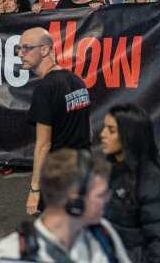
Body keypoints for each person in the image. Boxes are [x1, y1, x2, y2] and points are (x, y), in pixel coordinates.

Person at [0, 149, 132, 263]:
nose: (108, 199)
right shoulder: (12, 257)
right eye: (100, 195)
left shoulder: (103, 234)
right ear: (76, 203)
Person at [20, 26, 92, 215]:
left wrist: (35, 190)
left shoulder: (45, 88)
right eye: (19, 49)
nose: (20, 54)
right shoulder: (77, 81)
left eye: (26, 48)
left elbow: (43, 144)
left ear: (44, 50)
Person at [99, 104, 160, 263]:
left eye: (111, 130)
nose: (103, 134)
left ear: (129, 134)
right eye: (104, 128)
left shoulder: (152, 181)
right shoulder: (114, 171)